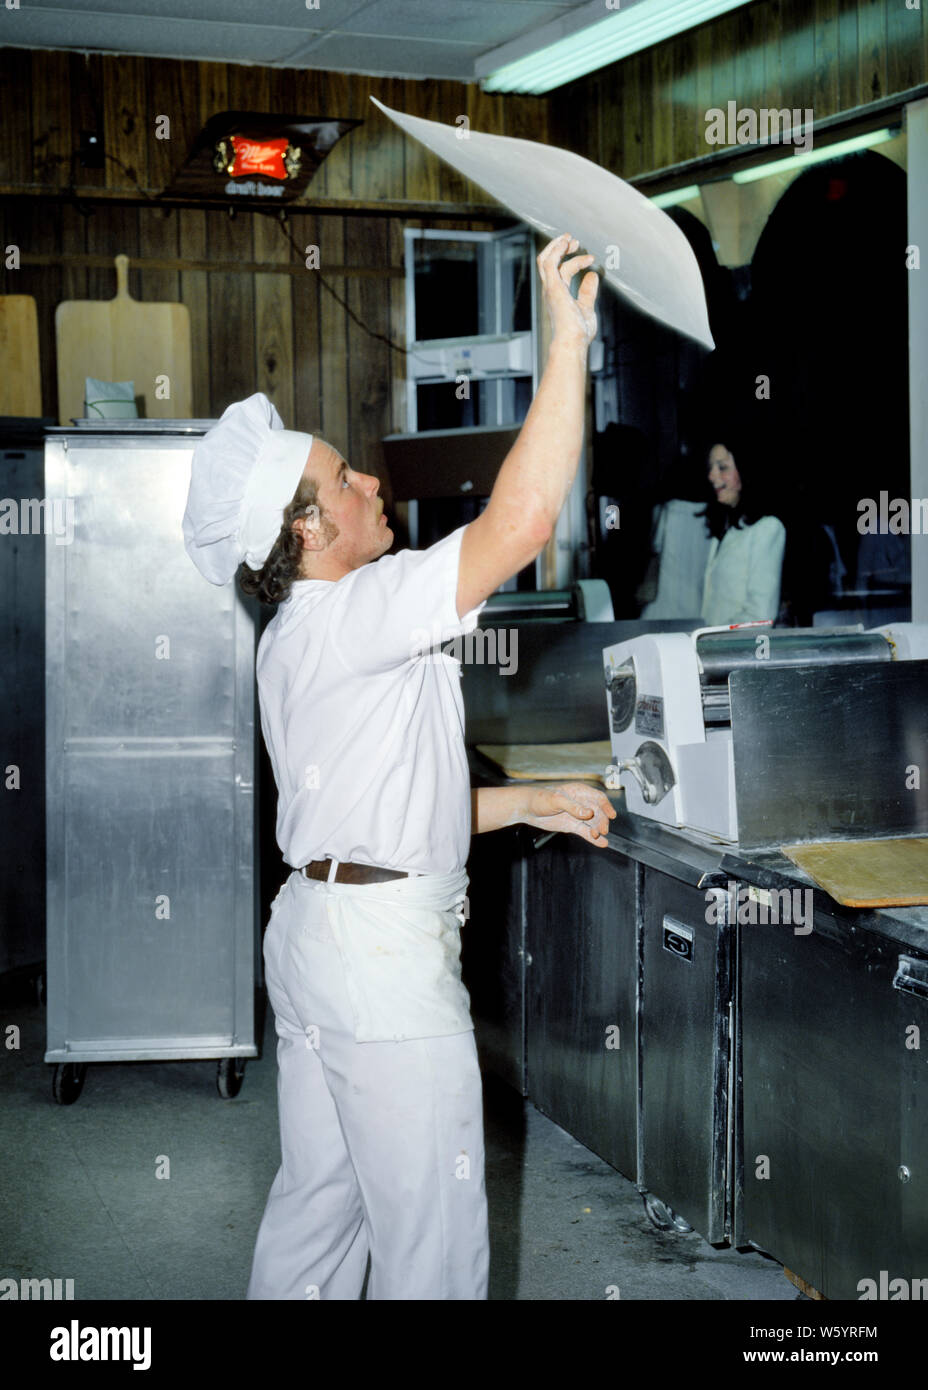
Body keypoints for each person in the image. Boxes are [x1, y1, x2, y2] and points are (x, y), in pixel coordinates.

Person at [181, 233, 616, 1301]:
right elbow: (520, 524)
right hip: (380, 965)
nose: (369, 479)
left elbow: (385, 808)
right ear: (308, 524)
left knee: (320, 1212)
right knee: (433, 1248)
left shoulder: (298, 634)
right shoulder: (359, 612)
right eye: (342, 475)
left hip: (316, 935)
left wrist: (530, 801)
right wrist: (568, 346)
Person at [699, 439, 786, 626]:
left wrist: (714, 640)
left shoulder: (767, 528)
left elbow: (760, 616)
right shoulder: (726, 526)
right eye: (711, 468)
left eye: (722, 467)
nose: (712, 476)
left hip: (735, 650)